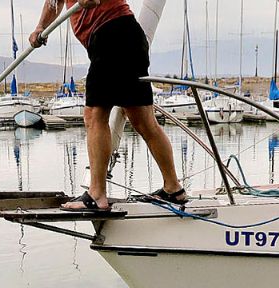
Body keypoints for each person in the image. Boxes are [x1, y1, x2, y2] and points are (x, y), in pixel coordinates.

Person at [29, 0, 184, 211]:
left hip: (112, 35)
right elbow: (53, 3)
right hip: (124, 37)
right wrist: (41, 28)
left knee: (94, 116)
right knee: (143, 120)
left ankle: (96, 194)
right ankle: (173, 189)